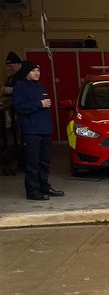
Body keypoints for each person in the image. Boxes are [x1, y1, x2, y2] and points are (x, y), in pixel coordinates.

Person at [11, 61, 65, 201]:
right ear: (27, 72)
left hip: (45, 130)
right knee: (32, 162)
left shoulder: (39, 86)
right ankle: (33, 191)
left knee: (45, 162)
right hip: (31, 131)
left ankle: (44, 186)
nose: (37, 73)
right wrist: (39, 104)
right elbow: (19, 107)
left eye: (38, 71)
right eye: (34, 71)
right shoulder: (20, 87)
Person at [1, 51, 26, 170]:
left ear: (17, 64)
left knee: (26, 140)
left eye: (11, 66)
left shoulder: (26, 75)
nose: (10, 69)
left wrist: (13, 90)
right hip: (14, 112)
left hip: (26, 113)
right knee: (18, 138)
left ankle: (26, 162)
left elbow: (29, 92)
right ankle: (19, 160)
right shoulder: (11, 78)